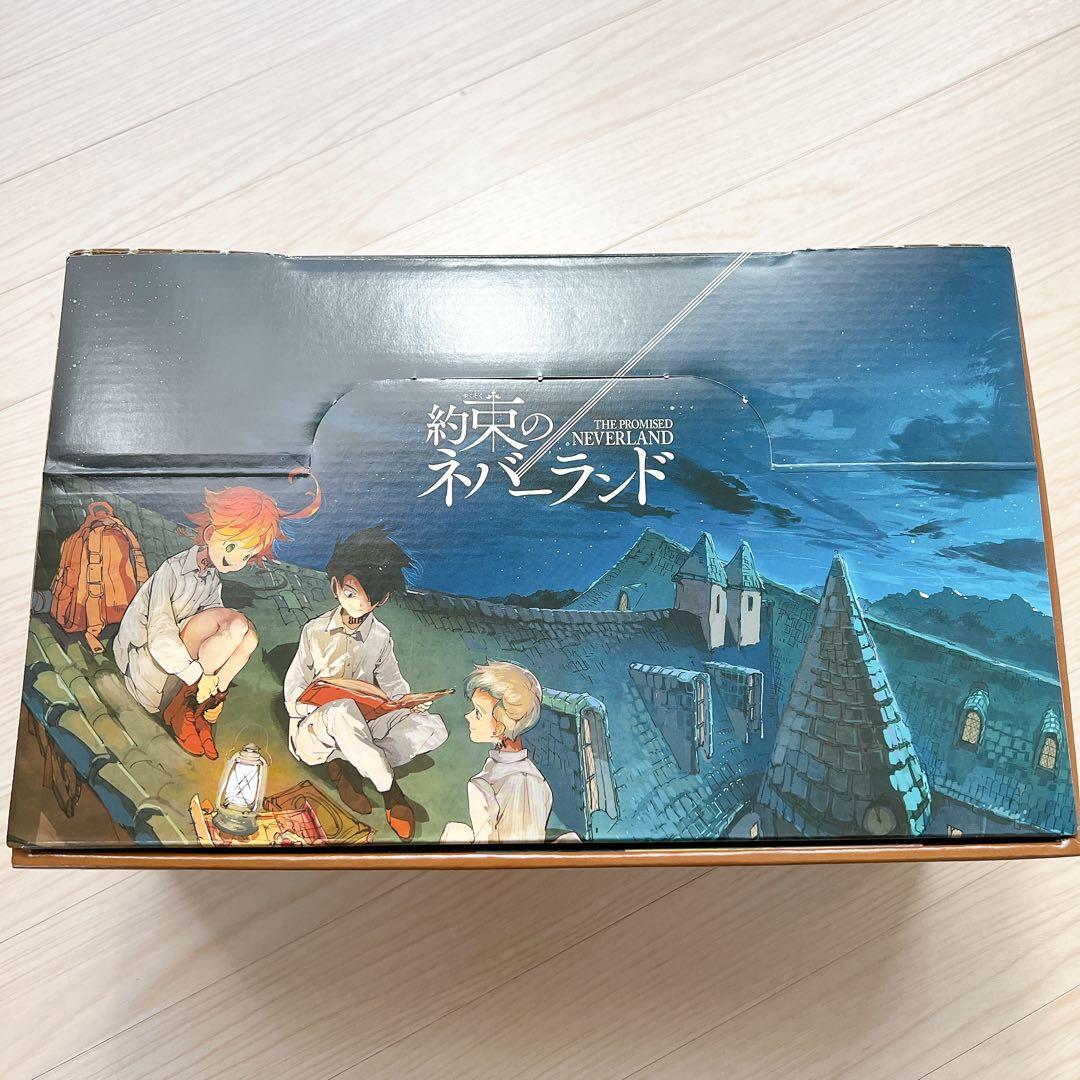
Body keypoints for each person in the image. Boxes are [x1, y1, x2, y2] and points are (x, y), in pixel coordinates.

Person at [113, 470, 320, 759]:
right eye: (233, 547)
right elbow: (159, 636)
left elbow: (220, 636)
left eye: (246, 556)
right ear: (210, 533)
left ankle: (202, 708)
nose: (237, 560)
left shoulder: (211, 578)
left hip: (180, 677)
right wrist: (200, 675)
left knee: (248, 636)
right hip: (148, 675)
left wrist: (214, 687)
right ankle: (183, 709)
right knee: (235, 624)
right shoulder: (172, 571)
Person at [284, 525, 447, 841]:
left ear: (381, 600)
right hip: (314, 733)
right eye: (350, 592)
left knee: (432, 727)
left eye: (367, 597)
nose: (358, 603)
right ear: (335, 585)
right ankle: (390, 792)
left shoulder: (380, 637)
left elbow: (393, 685)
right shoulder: (314, 631)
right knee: (341, 710)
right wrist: (313, 704)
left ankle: (350, 765)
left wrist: (409, 703)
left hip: (361, 725)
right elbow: (293, 690)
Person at [440, 660, 554, 844]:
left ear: (498, 728)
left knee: (456, 832)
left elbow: (488, 848)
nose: (468, 716)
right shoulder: (538, 781)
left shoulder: (484, 785)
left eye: (478, 712)